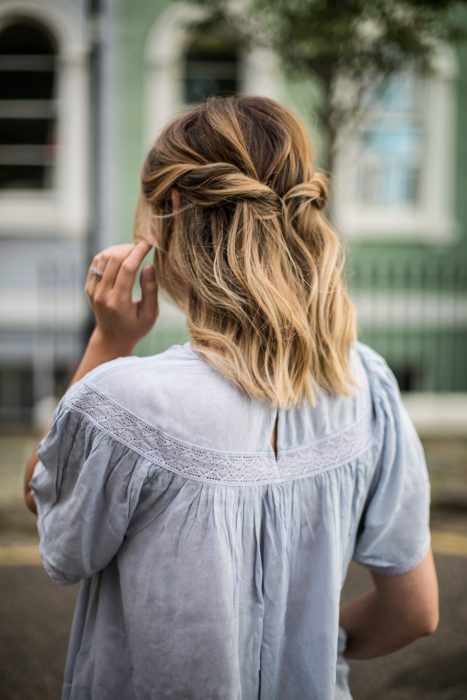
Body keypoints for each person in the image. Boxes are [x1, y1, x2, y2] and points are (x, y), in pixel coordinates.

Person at [24, 95, 439, 700]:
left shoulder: (124, 401)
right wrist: (308, 647)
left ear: (170, 208)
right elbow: (416, 612)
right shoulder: (366, 384)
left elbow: (46, 503)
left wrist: (108, 344)